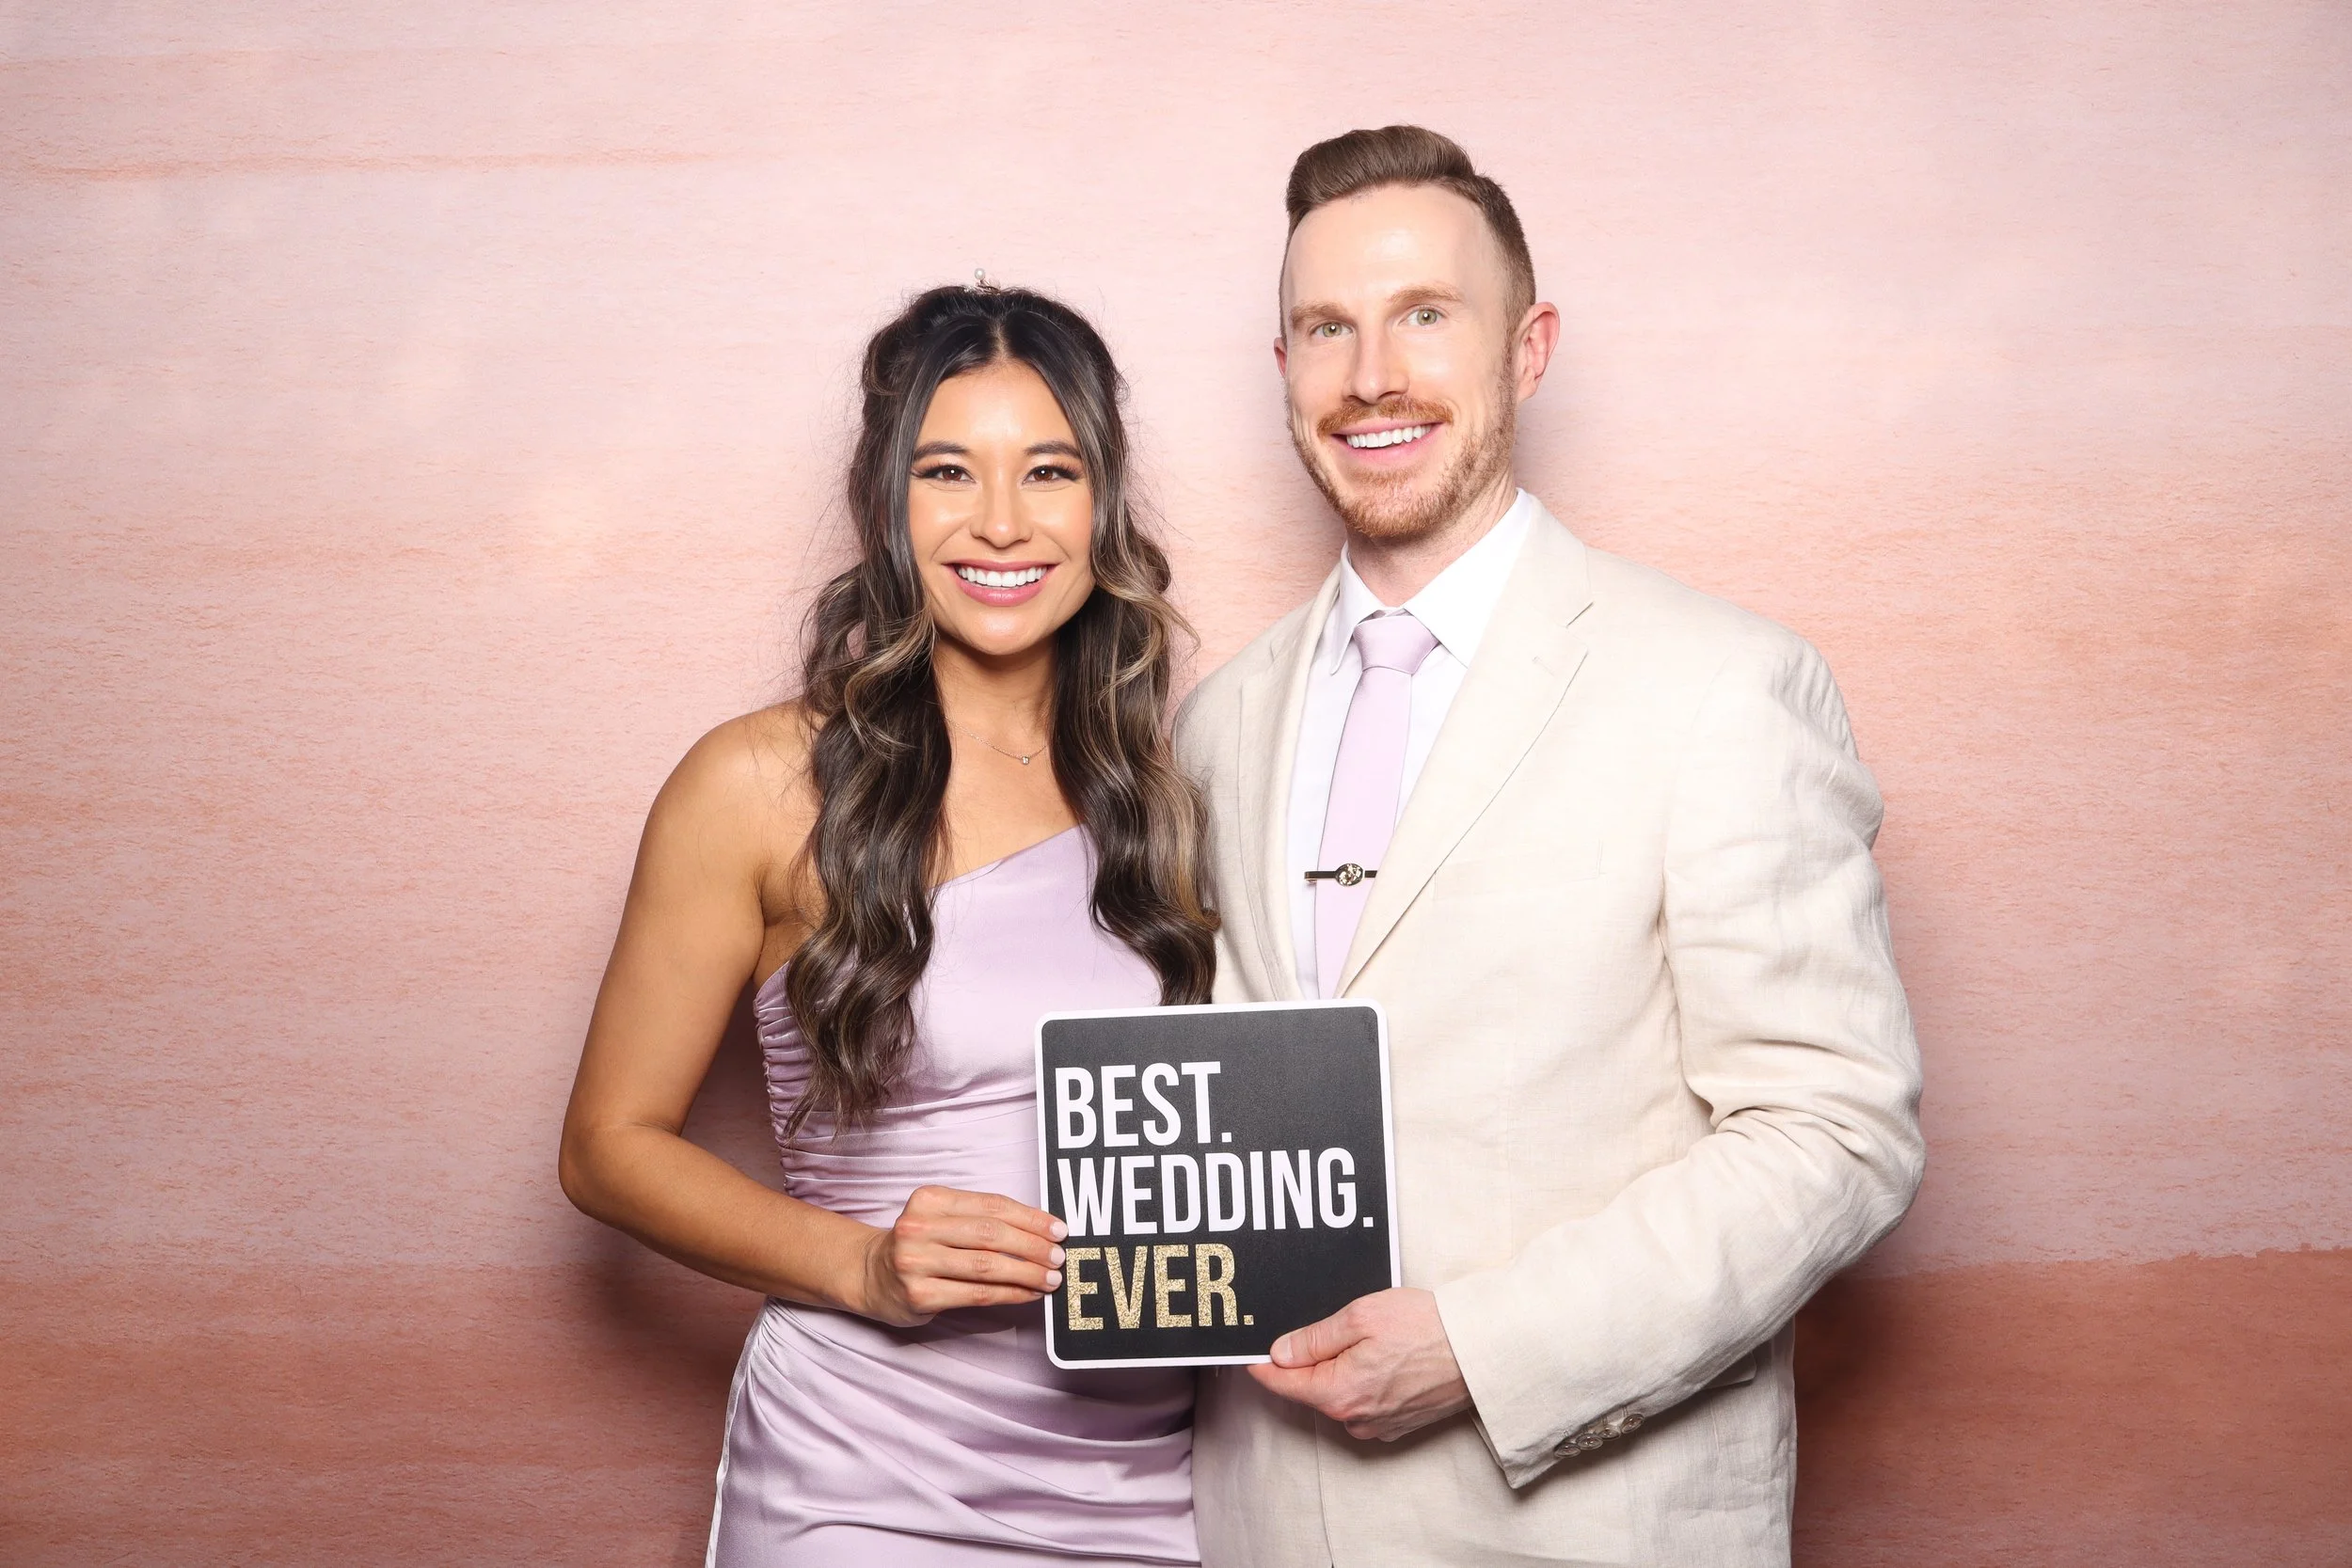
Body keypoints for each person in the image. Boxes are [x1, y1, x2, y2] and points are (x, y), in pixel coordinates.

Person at [1172, 125, 1926, 1566]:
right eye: (1327, 327)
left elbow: (1835, 1132)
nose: (1371, 373)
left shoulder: (1721, 686)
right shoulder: (1216, 727)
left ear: (1529, 350)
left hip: (1582, 1523)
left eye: (1425, 315)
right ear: (1284, 369)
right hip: (1264, 1522)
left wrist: (1481, 1346)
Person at [559, 284, 1217, 1567]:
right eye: (947, 471)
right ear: (883, 502)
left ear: (1103, 506)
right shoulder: (757, 782)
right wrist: (862, 1267)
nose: (1002, 522)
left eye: (1049, 471)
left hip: (1149, 1478)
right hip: (866, 1475)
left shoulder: (1171, 793)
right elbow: (605, 1146)